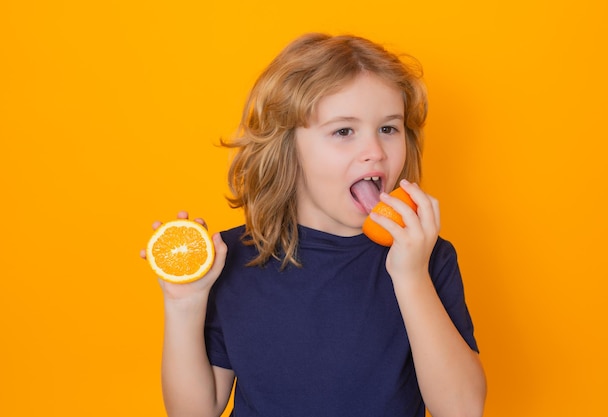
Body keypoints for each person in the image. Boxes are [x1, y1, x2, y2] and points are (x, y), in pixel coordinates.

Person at [142, 33, 486, 417]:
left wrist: (411, 277)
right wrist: (184, 305)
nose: (375, 151)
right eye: (344, 131)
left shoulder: (427, 257)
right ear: (288, 148)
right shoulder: (230, 260)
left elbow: (462, 410)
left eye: (388, 129)